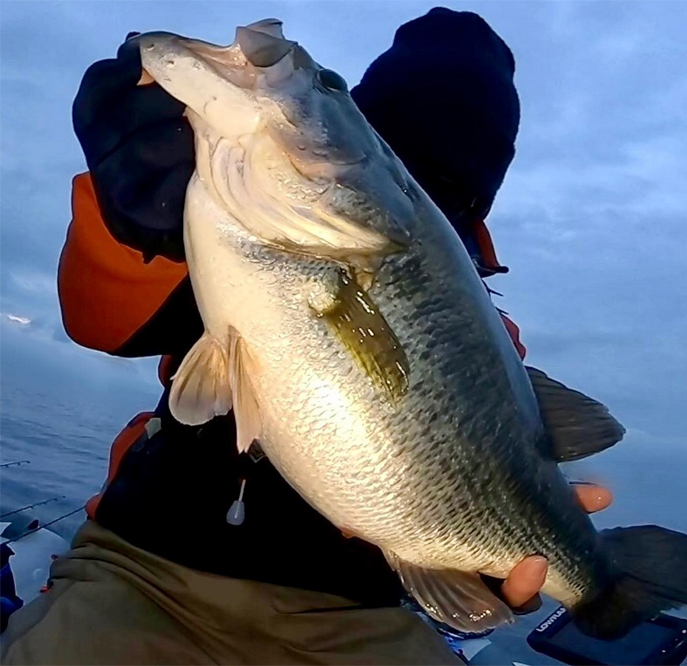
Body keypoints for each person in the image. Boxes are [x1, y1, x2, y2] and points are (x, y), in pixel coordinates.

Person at [1, 7, 612, 665]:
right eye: (398, 157)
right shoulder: (226, 204)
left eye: (448, 185)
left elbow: (481, 467)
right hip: (148, 569)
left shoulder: (491, 342)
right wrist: (133, 215)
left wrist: (483, 562)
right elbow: (101, 322)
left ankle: (607, 593)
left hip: (359, 618)